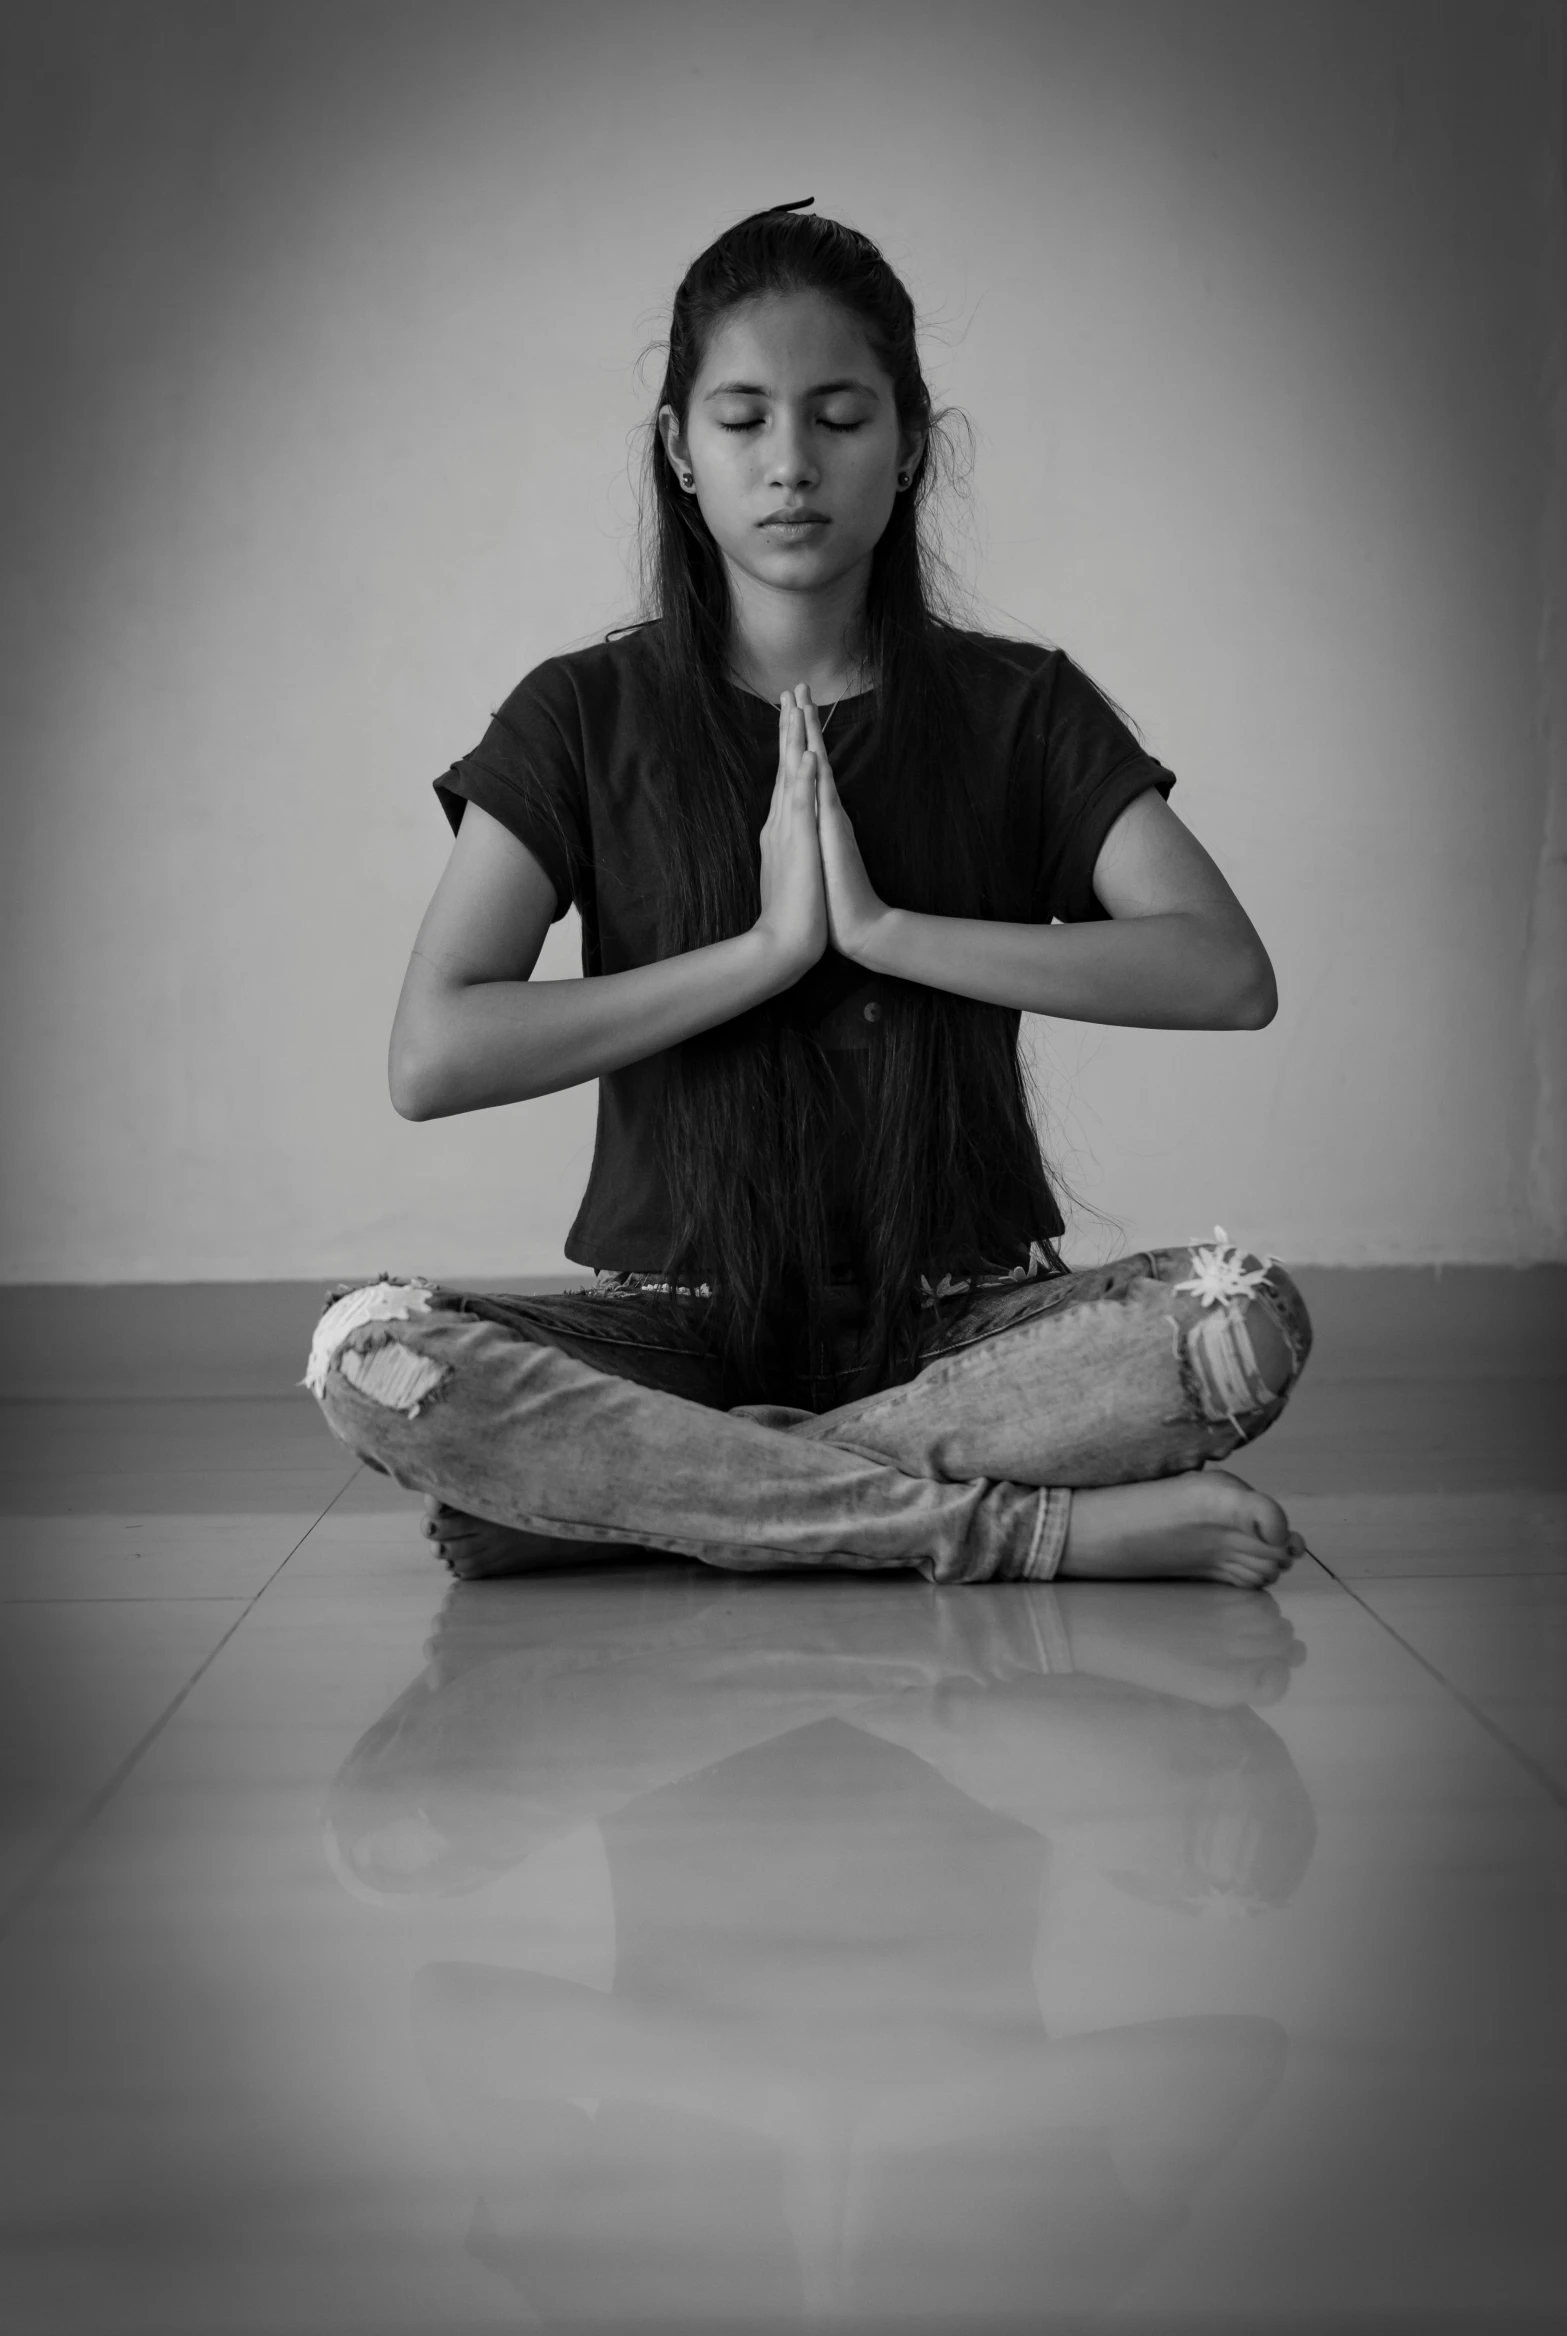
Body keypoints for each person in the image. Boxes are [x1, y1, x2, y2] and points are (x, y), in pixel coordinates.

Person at [304, 200, 1313, 1590]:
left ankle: (641, 1492)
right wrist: (766, 953)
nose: (790, 464)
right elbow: (433, 1054)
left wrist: (888, 934)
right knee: (370, 1354)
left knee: (1239, 1321)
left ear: (909, 447)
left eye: (838, 417)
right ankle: (1009, 1531)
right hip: (675, 1328)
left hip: (957, 1321)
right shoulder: (579, 714)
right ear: (678, 452)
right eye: (741, 420)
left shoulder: (1020, 707)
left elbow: (1222, 973)